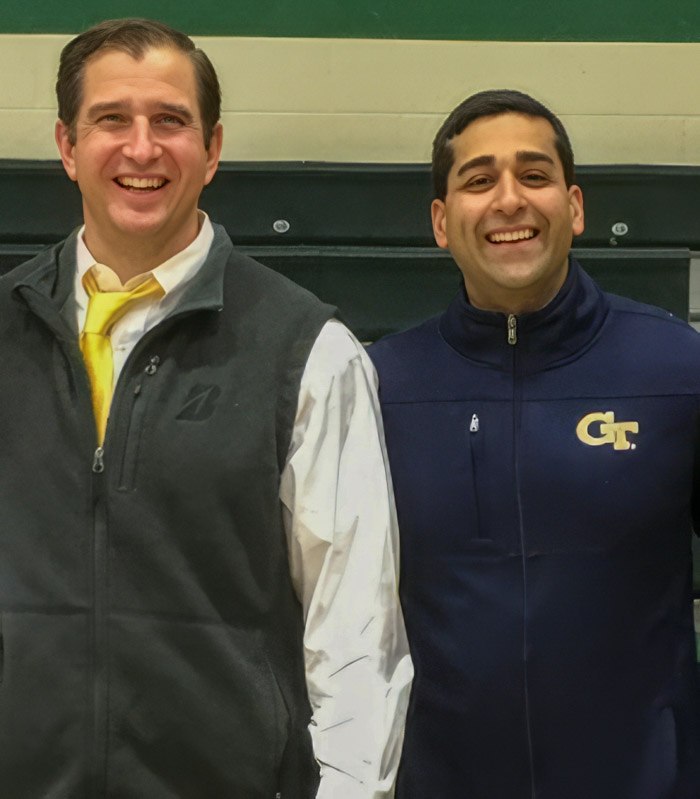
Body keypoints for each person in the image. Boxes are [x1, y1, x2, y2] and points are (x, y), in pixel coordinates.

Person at [0, 18, 411, 798]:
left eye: (171, 121)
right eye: (111, 120)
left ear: (213, 148)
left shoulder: (307, 349)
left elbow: (355, 631)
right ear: (66, 146)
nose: (142, 148)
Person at [370, 89, 700, 798]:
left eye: (535, 175)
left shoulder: (677, 370)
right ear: (440, 221)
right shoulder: (381, 386)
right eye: (480, 179)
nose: (509, 199)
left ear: (574, 207)